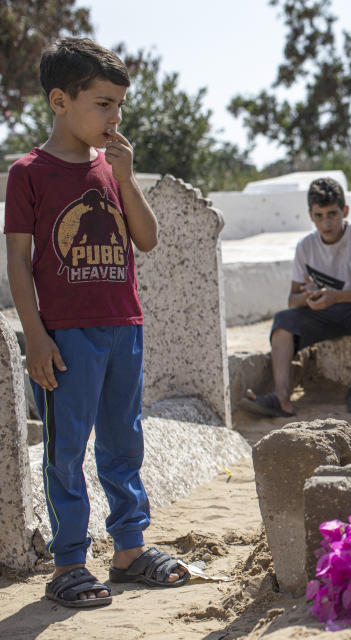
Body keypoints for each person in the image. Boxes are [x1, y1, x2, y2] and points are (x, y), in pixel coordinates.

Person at [5, 37, 189, 608]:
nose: (114, 118)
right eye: (103, 104)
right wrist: (35, 335)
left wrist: (128, 178)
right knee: (65, 450)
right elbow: (16, 259)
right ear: (60, 100)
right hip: (65, 337)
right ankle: (68, 562)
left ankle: (130, 548)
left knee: (123, 441)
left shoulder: (113, 169)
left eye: (119, 106)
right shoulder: (28, 172)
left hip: (123, 327)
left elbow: (149, 239)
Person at [242, 177, 351, 415]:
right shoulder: (306, 246)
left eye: (333, 214)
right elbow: (292, 300)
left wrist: (337, 297)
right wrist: (310, 297)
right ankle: (281, 397)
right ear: (310, 215)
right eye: (319, 215)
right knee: (283, 321)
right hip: (322, 314)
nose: (326, 223)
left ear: (344, 211)